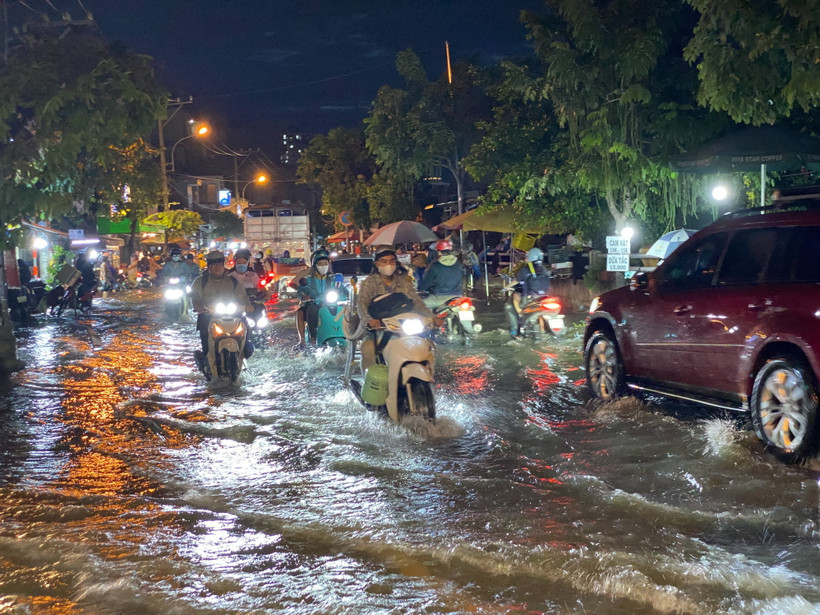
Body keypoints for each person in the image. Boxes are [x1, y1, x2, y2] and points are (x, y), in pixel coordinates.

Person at [356, 248, 435, 372]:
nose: (388, 264)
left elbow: (417, 302)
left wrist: (432, 317)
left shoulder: (404, 282)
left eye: (392, 261)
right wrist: (370, 320)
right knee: (368, 349)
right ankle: (370, 382)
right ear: (377, 264)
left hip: (405, 327)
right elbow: (361, 304)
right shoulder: (369, 283)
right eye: (384, 261)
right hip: (378, 329)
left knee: (429, 346)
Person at [190, 250, 254, 376]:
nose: (217, 266)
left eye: (219, 263)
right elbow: (195, 300)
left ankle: (243, 352)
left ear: (224, 264)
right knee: (206, 346)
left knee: (247, 342)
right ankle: (205, 362)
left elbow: (245, 302)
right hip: (208, 318)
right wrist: (201, 308)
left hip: (233, 317)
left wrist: (245, 307)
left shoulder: (234, 282)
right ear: (208, 265)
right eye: (213, 263)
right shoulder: (199, 282)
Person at [294, 248, 348, 349]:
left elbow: (344, 290)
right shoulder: (308, 279)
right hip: (315, 304)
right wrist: (304, 296)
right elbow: (301, 291)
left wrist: (350, 295)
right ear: (315, 265)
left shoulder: (333, 279)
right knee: (308, 310)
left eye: (325, 263)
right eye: (320, 263)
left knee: (347, 310)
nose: (324, 266)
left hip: (331, 304)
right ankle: (308, 339)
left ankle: (350, 334)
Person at [505, 247, 552, 338]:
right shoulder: (544, 269)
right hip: (545, 298)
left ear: (530, 257)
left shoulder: (525, 270)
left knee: (513, 300)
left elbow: (517, 281)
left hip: (531, 299)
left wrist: (507, 287)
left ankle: (517, 321)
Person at [418, 239, 464, 308]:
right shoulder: (458, 264)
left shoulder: (435, 265)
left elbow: (426, 283)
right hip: (458, 296)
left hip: (439, 297)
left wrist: (419, 289)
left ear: (438, 252)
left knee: (419, 305)